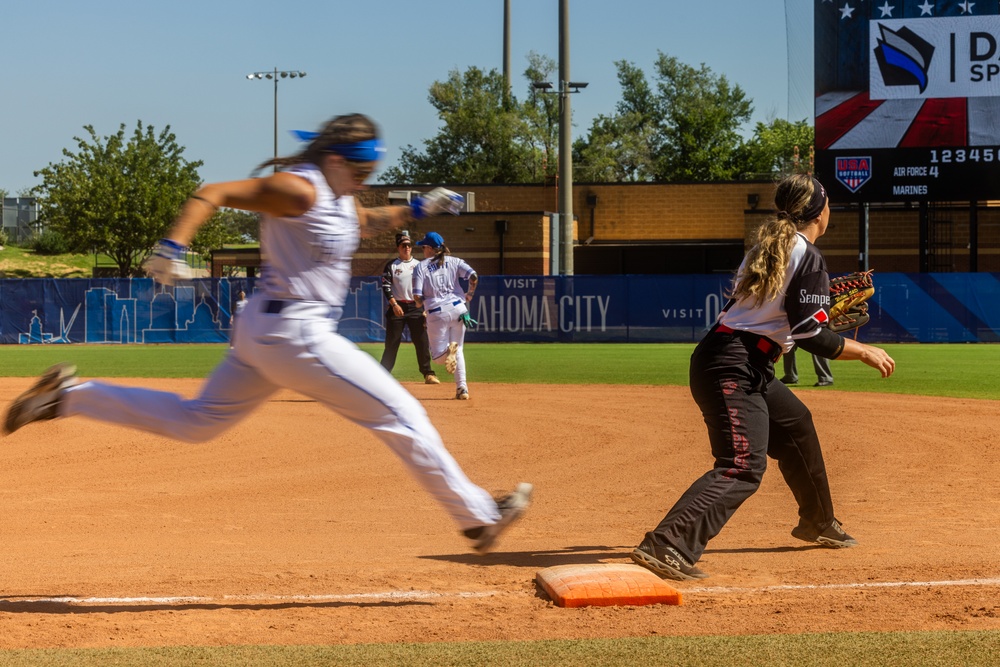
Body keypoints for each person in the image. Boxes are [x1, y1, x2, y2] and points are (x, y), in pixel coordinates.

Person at [3, 113, 531, 554]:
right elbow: (213, 192)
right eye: (365, 166)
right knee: (402, 414)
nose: (369, 176)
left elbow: (366, 219)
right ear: (336, 160)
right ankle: (479, 518)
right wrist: (172, 247)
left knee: (198, 422)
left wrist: (420, 207)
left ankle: (66, 399)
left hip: (265, 329)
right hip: (294, 331)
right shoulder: (298, 188)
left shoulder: (335, 194)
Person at [631, 174, 895, 581]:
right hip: (733, 366)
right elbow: (808, 333)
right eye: (828, 204)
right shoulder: (805, 255)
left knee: (796, 426)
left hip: (740, 360)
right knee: (742, 465)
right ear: (820, 212)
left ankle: (819, 522)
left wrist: (813, 308)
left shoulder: (768, 246)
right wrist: (864, 350)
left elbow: (780, 316)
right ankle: (668, 544)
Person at [412, 232, 478, 401]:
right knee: (459, 350)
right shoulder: (455, 261)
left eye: (423, 247)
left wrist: (421, 304)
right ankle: (462, 388)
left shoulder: (421, 267)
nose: (422, 250)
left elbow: (417, 298)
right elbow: (473, 276)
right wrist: (469, 294)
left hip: (437, 312)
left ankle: (450, 349)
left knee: (439, 359)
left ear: (429, 248)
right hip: (459, 309)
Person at [380, 231, 439, 385]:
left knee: (421, 341)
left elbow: (427, 287)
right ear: (398, 247)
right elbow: (385, 285)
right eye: (403, 245)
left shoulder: (419, 265)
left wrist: (425, 307)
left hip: (415, 306)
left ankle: (428, 373)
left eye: (409, 245)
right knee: (392, 342)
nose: (407, 248)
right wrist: (394, 304)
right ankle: (382, 375)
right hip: (397, 306)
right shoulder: (392, 265)